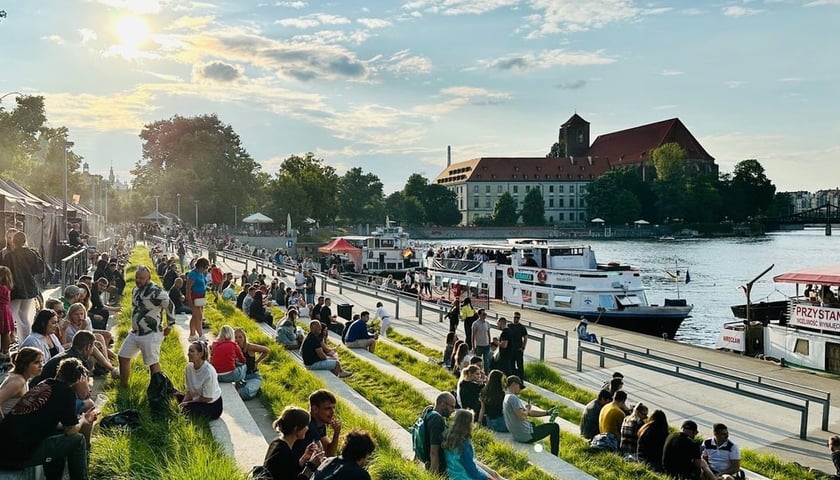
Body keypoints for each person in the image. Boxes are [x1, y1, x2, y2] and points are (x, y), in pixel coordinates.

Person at [0, 357, 97, 480]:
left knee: (59, 435)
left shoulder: (44, 384)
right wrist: (83, 419)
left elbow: (46, 421)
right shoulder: (66, 393)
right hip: (16, 457)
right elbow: (71, 431)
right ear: (78, 379)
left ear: (58, 371)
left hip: (3, 445)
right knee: (77, 440)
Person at [118, 265, 171, 387]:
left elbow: (170, 306)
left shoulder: (157, 291)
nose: (138, 280)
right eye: (137, 277)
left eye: (141, 278)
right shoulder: (135, 290)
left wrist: (170, 325)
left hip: (150, 333)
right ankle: (123, 386)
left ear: (148, 278)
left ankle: (157, 390)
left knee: (152, 363)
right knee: (123, 356)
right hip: (135, 332)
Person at [1, 231, 45, 342]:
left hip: (14, 289)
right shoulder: (31, 253)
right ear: (25, 241)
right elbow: (38, 269)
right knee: (24, 317)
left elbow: (6, 274)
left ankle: (8, 342)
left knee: (10, 316)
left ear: (13, 242)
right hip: (29, 287)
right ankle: (25, 341)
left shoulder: (9, 256)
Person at [502, 375, 560, 456]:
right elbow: (522, 416)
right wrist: (527, 410)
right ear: (514, 384)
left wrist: (547, 413)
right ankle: (555, 455)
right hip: (525, 436)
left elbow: (528, 413)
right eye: (519, 387)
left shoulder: (506, 397)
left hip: (517, 434)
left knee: (532, 424)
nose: (520, 390)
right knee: (554, 427)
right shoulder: (513, 398)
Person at [263, 406, 324, 480]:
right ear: (296, 429)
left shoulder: (277, 443)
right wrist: (311, 466)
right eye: (306, 426)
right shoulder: (284, 452)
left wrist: (304, 459)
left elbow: (289, 471)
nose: (308, 428)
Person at [442, 409, 505, 480]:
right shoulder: (464, 445)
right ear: (467, 425)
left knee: (493, 474)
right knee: (493, 476)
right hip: (465, 477)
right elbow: (471, 470)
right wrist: (485, 478)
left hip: (453, 475)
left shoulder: (448, 437)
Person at [177, 340, 223, 420]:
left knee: (186, 410)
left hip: (211, 405)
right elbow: (189, 392)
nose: (188, 354)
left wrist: (187, 403)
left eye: (191, 351)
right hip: (197, 398)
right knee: (173, 397)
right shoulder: (188, 368)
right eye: (188, 351)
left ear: (200, 354)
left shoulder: (208, 372)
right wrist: (182, 403)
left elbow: (207, 398)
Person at [293, 390, 345, 459]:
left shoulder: (320, 425)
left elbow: (329, 453)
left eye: (333, 408)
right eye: (328, 408)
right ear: (315, 409)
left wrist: (336, 433)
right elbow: (326, 456)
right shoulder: (309, 428)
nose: (332, 412)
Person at [419, 391, 457, 474]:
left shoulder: (429, 411)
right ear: (443, 405)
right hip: (445, 467)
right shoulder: (437, 420)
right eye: (452, 407)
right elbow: (434, 451)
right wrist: (434, 475)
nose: (453, 410)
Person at [0, 347, 42, 419]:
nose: (41, 365)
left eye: (41, 361)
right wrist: (3, 424)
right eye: (36, 362)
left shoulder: (23, 379)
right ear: (25, 365)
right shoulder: (18, 382)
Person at [233, 328, 268, 401]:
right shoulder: (232, 348)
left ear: (244, 338)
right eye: (235, 337)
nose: (238, 339)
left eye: (240, 337)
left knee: (245, 392)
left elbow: (266, 350)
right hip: (239, 378)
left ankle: (253, 390)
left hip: (253, 376)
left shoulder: (249, 347)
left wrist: (257, 361)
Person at [186, 257, 210, 341]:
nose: (206, 269)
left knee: (195, 316)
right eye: (205, 267)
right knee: (199, 317)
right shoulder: (193, 274)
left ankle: (192, 334)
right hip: (194, 297)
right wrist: (189, 298)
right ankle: (201, 335)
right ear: (201, 266)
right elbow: (188, 287)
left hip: (201, 297)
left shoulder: (202, 273)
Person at [507, 311, 528, 379]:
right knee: (511, 365)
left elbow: (525, 337)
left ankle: (521, 379)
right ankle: (512, 378)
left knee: (520, 366)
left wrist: (523, 347)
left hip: (518, 349)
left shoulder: (521, 327)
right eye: (515, 317)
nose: (516, 319)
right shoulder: (509, 326)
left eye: (518, 318)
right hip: (510, 350)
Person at [0, 265, 14, 361]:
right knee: (5, 331)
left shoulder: (2, 288)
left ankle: (4, 351)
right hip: (5, 310)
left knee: (4, 332)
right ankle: (4, 350)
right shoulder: (6, 287)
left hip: (2, 311)